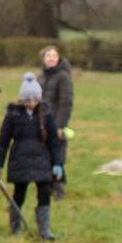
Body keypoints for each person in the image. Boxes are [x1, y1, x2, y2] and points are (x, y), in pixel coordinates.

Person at [0, 73, 64, 241]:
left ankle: (45, 230)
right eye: (27, 100)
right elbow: (3, 140)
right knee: (19, 194)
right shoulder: (13, 115)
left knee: (45, 193)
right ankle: (15, 227)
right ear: (22, 100)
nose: (31, 103)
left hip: (42, 160)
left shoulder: (46, 114)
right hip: (20, 160)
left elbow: (54, 141)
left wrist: (58, 163)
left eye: (34, 100)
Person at [40, 46, 74, 198]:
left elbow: (66, 103)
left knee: (56, 155)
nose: (51, 58)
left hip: (55, 122)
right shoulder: (40, 76)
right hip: (41, 122)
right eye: (48, 56)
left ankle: (59, 188)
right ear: (43, 59)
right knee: (44, 154)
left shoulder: (63, 76)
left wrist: (60, 125)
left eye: (54, 56)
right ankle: (50, 184)